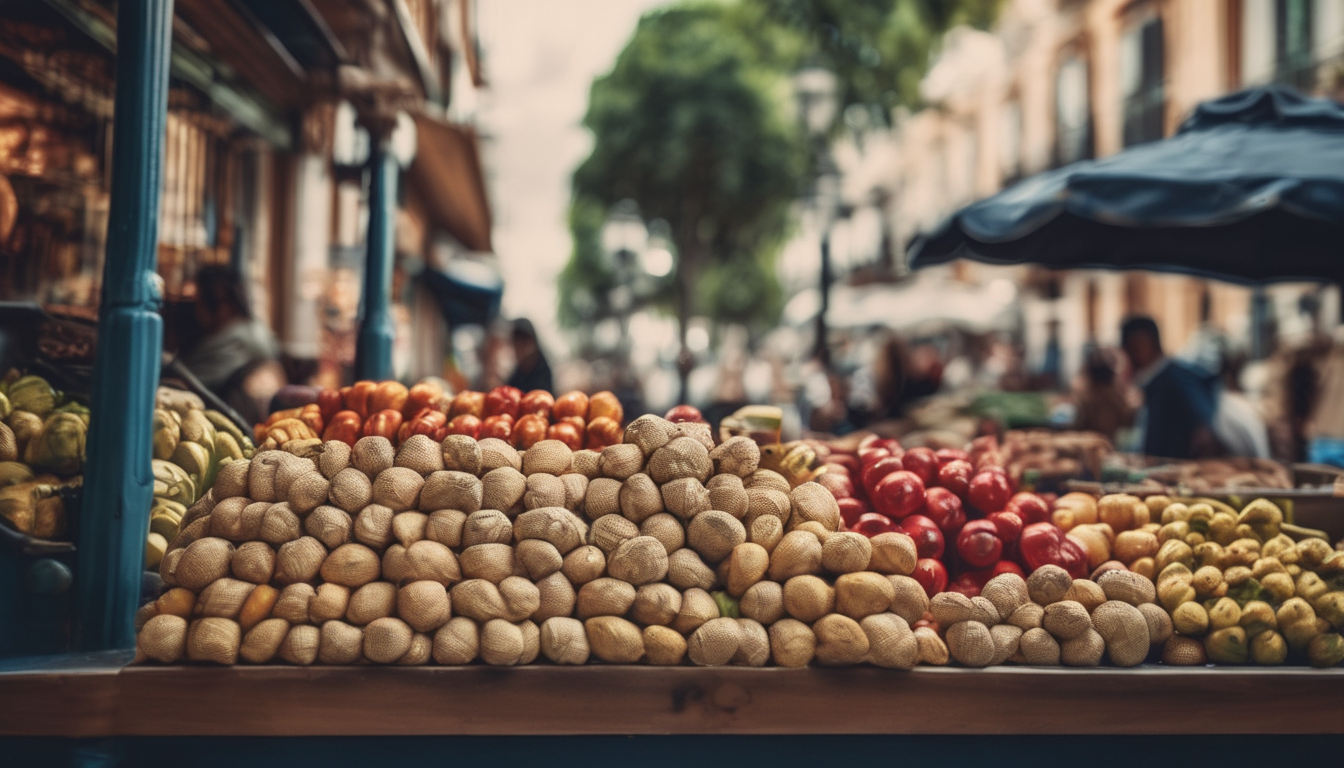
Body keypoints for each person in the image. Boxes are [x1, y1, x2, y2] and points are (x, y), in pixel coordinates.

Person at [179, 265, 280, 423]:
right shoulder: (256, 330)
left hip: (236, 426)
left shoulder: (232, 339)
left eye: (198, 302)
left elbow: (184, 385)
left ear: (223, 304)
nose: (197, 311)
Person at [1120, 315, 1220, 459]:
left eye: (1128, 346)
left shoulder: (1176, 378)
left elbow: (1204, 433)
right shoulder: (1158, 380)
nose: (1126, 355)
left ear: (1142, 343)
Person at [1072, 347, 1133, 441]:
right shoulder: (1115, 397)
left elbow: (1078, 425)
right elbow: (1127, 420)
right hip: (1106, 443)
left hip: (1091, 443)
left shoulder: (1085, 397)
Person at [506, 318, 553, 393]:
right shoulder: (518, 372)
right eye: (516, 343)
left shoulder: (543, 371)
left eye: (522, 341)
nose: (519, 347)